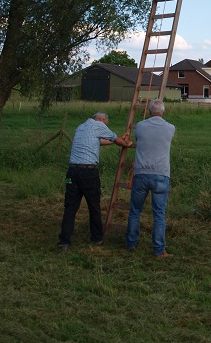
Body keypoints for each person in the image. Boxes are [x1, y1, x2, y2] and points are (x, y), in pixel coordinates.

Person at [58, 111, 132, 251]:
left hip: (72, 171)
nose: (105, 126)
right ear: (102, 119)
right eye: (106, 123)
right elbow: (117, 141)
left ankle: (64, 241)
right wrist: (126, 143)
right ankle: (97, 237)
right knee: (93, 205)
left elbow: (100, 141)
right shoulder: (99, 125)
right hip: (88, 172)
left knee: (70, 207)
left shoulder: (81, 127)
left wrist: (119, 139)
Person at [126, 98, 176, 258]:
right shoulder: (170, 128)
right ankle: (159, 249)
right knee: (159, 213)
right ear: (163, 112)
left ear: (148, 111)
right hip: (161, 174)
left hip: (141, 173)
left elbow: (138, 138)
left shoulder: (140, 126)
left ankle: (131, 243)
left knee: (135, 211)